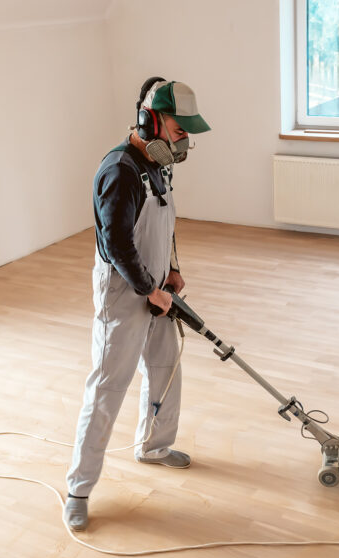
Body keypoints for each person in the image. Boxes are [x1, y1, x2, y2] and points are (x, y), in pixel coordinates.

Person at [65, 77, 211, 531]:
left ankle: (154, 446)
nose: (184, 136)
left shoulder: (159, 164)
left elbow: (163, 222)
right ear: (151, 120)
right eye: (179, 127)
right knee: (108, 387)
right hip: (122, 293)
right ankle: (78, 487)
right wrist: (150, 290)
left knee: (165, 369)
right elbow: (117, 244)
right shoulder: (120, 172)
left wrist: (171, 267)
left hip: (154, 285)